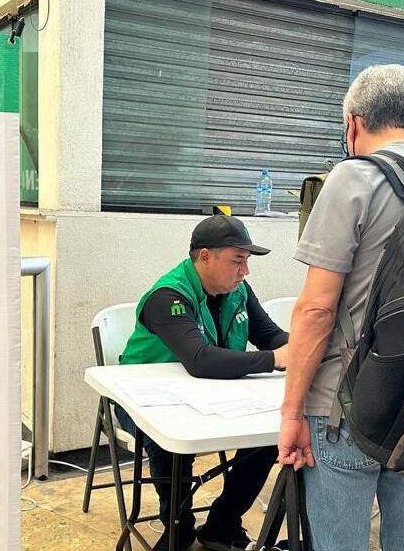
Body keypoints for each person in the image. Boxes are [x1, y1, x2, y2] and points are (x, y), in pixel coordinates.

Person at [278, 64, 404, 551]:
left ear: (353, 124)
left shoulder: (353, 179)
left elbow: (317, 310)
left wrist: (291, 412)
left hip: (348, 405)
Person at [116, 214, 288, 551]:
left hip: (209, 397)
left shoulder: (238, 291)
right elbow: (200, 359)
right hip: (142, 403)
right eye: (237, 260)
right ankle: (178, 531)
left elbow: (270, 336)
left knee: (271, 436)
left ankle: (222, 525)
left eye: (247, 261)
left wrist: (304, 349)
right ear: (205, 256)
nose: (245, 270)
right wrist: (275, 359)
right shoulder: (168, 296)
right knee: (170, 442)